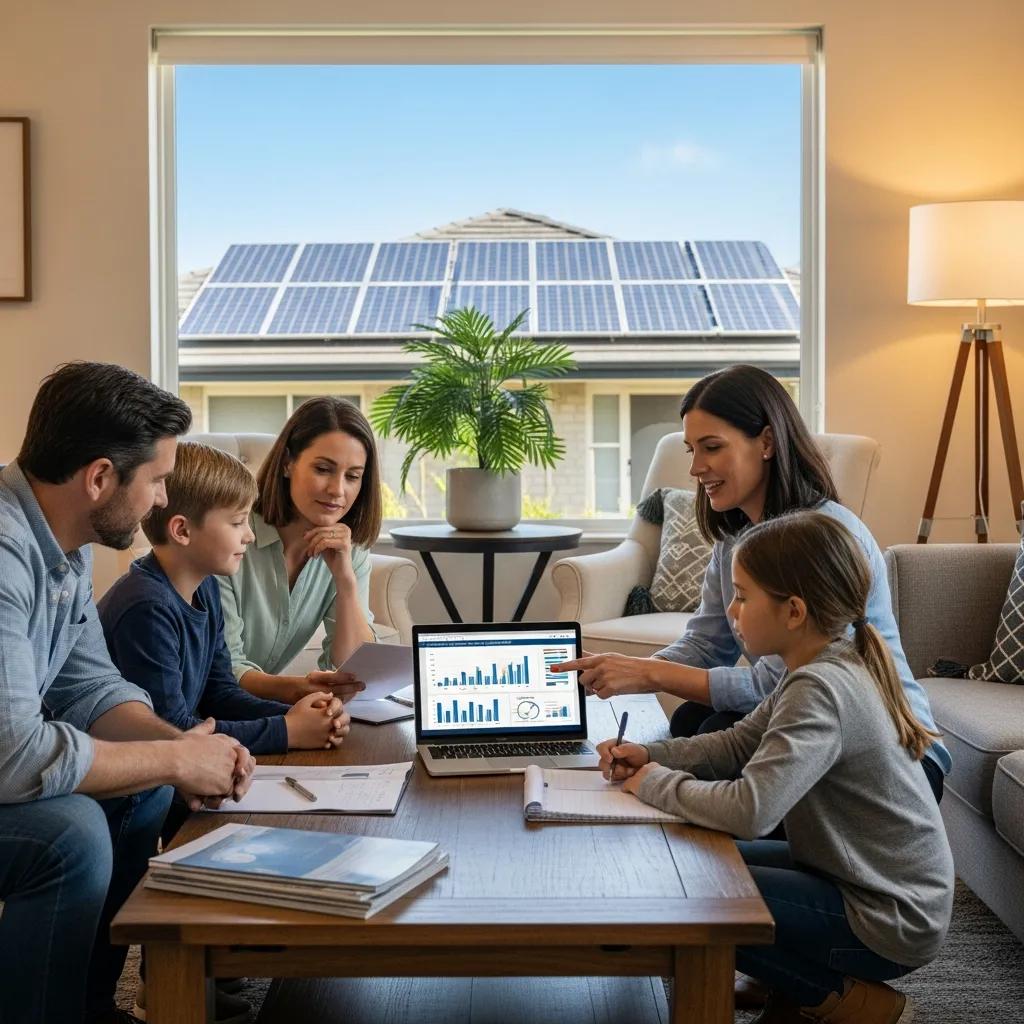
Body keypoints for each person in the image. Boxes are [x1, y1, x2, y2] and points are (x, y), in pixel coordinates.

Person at [598, 511, 954, 1024]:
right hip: (854, 876)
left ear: (793, 612)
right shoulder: (822, 663)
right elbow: (740, 743)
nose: (732, 608)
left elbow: (751, 810)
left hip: (886, 917)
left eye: (742, 595)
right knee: (694, 857)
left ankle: (844, 1000)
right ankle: (785, 992)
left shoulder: (821, 688)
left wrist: (653, 783)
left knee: (690, 889)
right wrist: (652, 755)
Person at [556, 365, 950, 802]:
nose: (695, 467)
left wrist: (649, 672)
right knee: (694, 720)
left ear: (766, 442)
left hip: (892, 757)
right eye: (690, 450)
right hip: (811, 730)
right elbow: (707, 645)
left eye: (711, 447)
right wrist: (621, 670)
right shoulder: (737, 536)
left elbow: (770, 687)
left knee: (708, 731)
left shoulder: (818, 537)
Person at [0, 362, 256, 1024]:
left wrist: (182, 749)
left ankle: (85, 1000)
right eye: (157, 481)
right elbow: (15, 754)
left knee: (140, 782)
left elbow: (90, 687)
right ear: (100, 478)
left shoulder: (62, 543)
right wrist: (173, 761)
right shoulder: (4, 553)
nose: (159, 499)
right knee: (71, 833)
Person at [219, 397, 382, 705]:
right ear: (287, 463)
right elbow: (223, 669)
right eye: (323, 469)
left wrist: (345, 582)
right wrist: (301, 689)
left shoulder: (351, 550)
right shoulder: (232, 533)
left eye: (353, 476)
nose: (338, 490)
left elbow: (353, 671)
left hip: (259, 708)